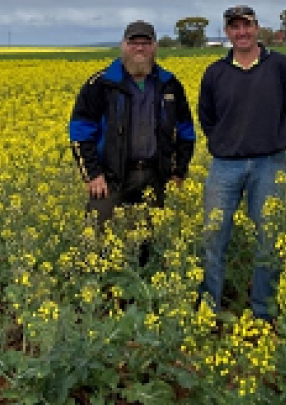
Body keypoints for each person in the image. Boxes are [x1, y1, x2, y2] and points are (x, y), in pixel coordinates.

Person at [198, 5, 286, 322]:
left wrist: (279, 141)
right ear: (227, 32)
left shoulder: (281, 66)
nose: (241, 32)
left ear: (257, 28)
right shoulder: (215, 72)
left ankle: (264, 311)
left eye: (247, 26)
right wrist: (222, 143)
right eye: (234, 27)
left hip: (269, 163)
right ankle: (209, 311)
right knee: (213, 238)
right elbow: (207, 116)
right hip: (225, 165)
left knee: (268, 238)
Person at [70, 21, 196, 263]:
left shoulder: (169, 84)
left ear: (155, 47)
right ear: (123, 46)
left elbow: (186, 132)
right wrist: (92, 174)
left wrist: (179, 172)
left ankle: (141, 293)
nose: (140, 48)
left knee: (147, 243)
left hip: (154, 175)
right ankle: (99, 293)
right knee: (97, 239)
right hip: (109, 177)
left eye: (146, 43)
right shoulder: (101, 84)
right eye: (134, 43)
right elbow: (80, 132)